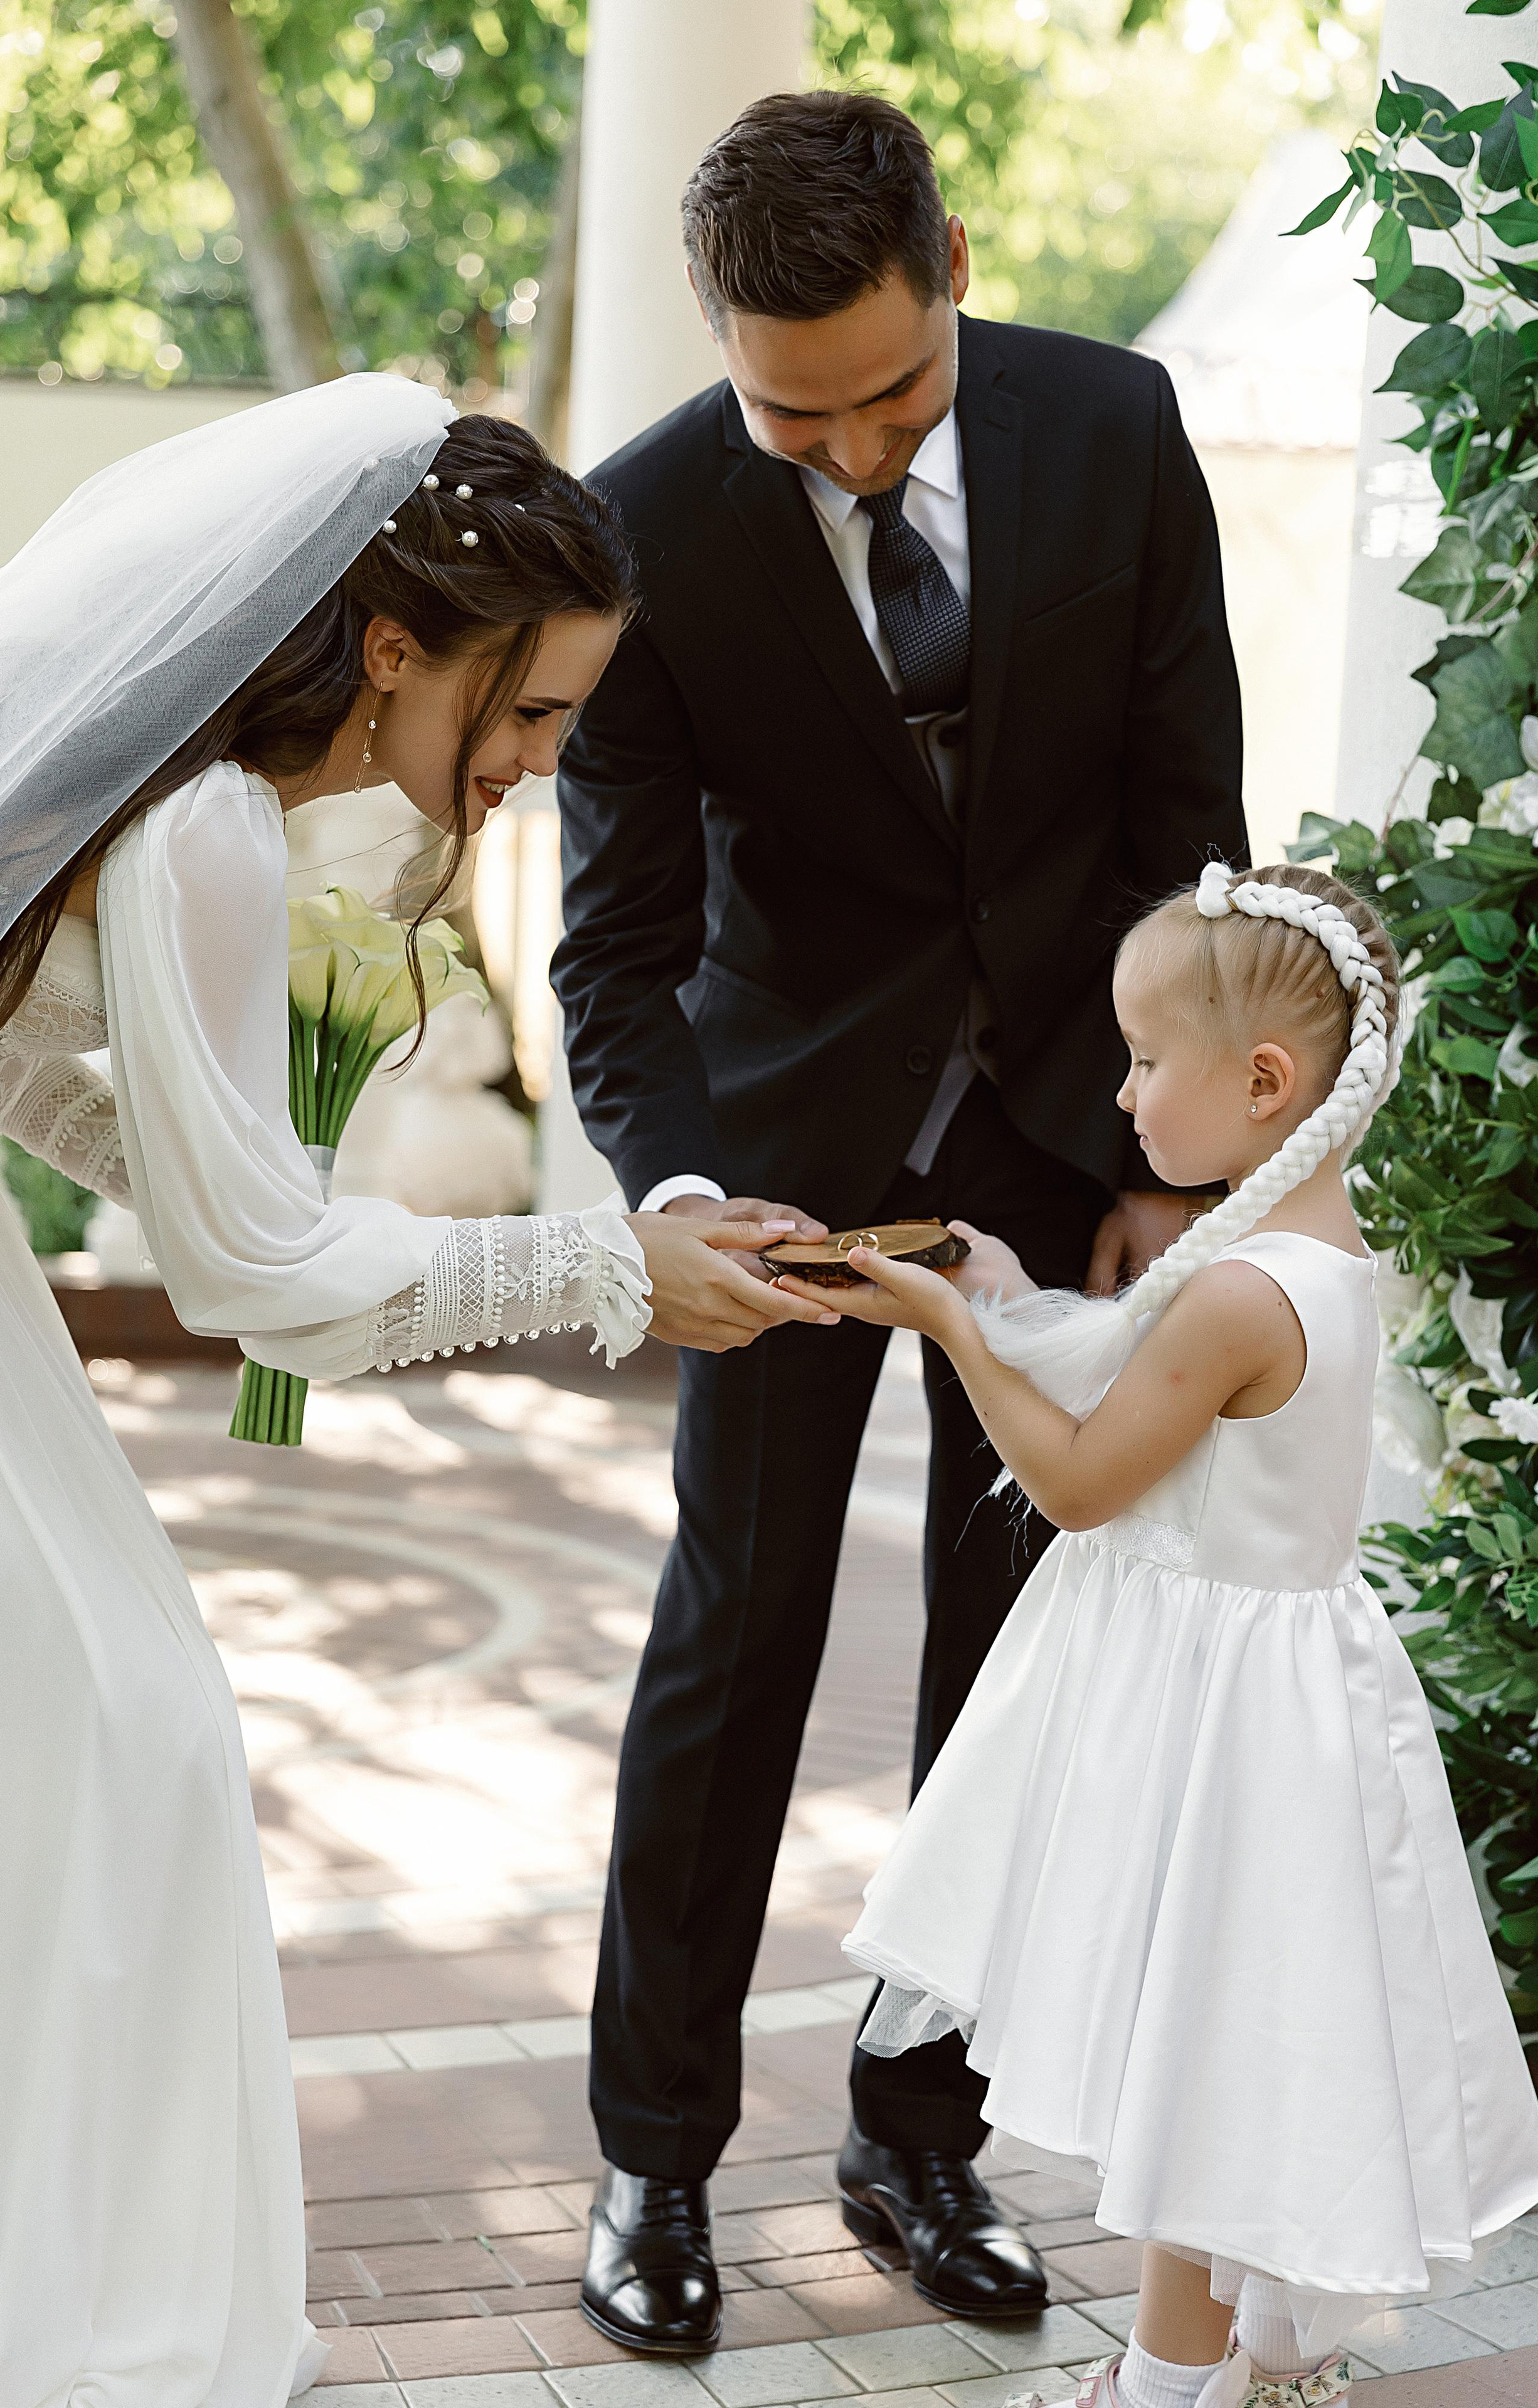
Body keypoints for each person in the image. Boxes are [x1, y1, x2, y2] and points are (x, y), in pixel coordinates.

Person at [0, 376, 837, 2408]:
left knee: (103, 1761)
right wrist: (606, 1271)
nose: (540, 769)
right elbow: (266, 1292)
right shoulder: (201, 819)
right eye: (531, 714)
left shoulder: (167, 784)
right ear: (392, 649)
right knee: (131, 1765)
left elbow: (25, 1069)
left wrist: (237, 1160)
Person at [553, 89, 1246, 2349]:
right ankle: (654, 2167)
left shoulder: (1119, 430)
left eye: (888, 400)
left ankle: (915, 2129)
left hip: (1058, 1153)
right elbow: (617, 943)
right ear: (719, 352)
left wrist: (1165, 1168)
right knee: (732, 1644)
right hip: (779, 1175)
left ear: (952, 267)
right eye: (789, 417)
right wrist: (669, 1195)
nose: (847, 456)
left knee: (1009, 1663)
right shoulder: (645, 527)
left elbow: (1186, 816)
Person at [800, 862, 1538, 2408]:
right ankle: (1240, 2358)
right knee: (1212, 2042)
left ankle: (1166, 2386)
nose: (1124, 1094)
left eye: (1147, 1060)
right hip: (1254, 1697)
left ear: (1264, 1082)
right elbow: (1120, 1372)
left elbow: (1080, 1484)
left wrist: (951, 1332)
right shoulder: (1293, 1263)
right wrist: (1006, 1293)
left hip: (1217, 1724)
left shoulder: (1234, 1294)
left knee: (1196, 2054)